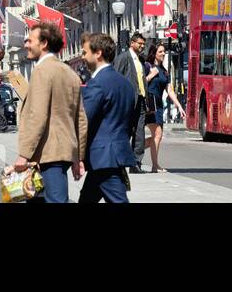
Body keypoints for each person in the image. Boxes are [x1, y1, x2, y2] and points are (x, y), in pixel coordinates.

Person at [13, 22, 86, 203]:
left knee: (55, 200)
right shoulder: (70, 73)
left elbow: (37, 116)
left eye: (30, 41)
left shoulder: (42, 71)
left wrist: (24, 154)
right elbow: (81, 119)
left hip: (48, 153)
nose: (26, 45)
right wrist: (79, 157)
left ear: (43, 43)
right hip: (63, 151)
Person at [77, 32, 136, 203]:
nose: (82, 57)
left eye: (85, 52)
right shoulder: (126, 84)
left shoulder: (97, 84)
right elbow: (131, 121)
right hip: (112, 154)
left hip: (103, 157)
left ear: (98, 53)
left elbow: (84, 120)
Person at [144, 42, 186, 174]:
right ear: (154, 53)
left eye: (164, 52)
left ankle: (133, 150)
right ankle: (155, 165)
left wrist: (179, 106)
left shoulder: (164, 71)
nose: (163, 54)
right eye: (160, 51)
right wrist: (150, 76)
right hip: (149, 104)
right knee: (157, 134)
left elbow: (169, 90)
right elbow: (139, 82)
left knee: (157, 136)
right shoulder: (147, 66)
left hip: (159, 106)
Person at [113, 32, 149, 173]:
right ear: (132, 43)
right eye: (139, 44)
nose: (142, 46)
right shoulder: (123, 58)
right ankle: (119, 162)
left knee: (139, 132)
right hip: (127, 101)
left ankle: (136, 163)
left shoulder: (141, 60)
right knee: (125, 131)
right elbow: (116, 78)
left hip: (140, 100)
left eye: (143, 44)